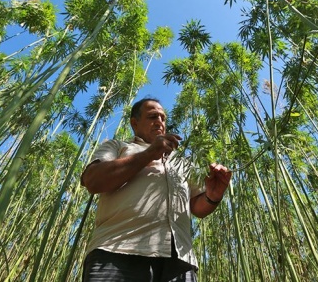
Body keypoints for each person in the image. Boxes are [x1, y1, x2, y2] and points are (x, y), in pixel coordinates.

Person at [80, 97, 232, 282]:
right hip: (117, 250)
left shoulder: (182, 162)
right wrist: (150, 152)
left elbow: (197, 208)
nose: (159, 122)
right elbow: (93, 180)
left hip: (179, 261)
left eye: (162, 118)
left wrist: (213, 196)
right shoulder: (118, 147)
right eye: (152, 116)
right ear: (134, 123)